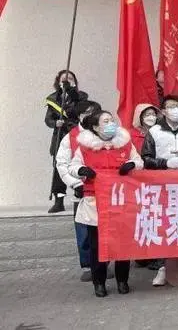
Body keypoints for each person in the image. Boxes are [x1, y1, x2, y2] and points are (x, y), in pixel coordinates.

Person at [67, 110, 142, 297]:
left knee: (122, 243)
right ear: (95, 127)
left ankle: (122, 280)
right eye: (105, 121)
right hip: (95, 202)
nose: (111, 124)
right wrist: (82, 170)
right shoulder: (85, 147)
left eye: (111, 120)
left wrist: (132, 164)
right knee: (97, 245)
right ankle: (99, 282)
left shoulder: (125, 144)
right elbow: (72, 166)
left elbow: (138, 161)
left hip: (121, 200)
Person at [141, 95, 178, 286]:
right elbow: (146, 158)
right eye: (171, 106)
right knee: (164, 225)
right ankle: (163, 267)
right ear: (163, 111)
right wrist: (165, 163)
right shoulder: (155, 131)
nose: (176, 110)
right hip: (163, 186)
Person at [55, 100, 101, 282]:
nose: (91, 116)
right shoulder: (70, 137)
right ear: (80, 116)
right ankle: (89, 265)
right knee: (85, 232)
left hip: (103, 191)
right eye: (87, 112)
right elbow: (62, 164)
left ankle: (103, 264)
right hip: (82, 192)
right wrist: (76, 184)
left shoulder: (104, 135)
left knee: (104, 231)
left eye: (95, 112)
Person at [45, 69, 89, 213]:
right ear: (58, 82)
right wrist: (55, 123)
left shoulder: (80, 97)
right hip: (60, 136)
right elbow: (48, 119)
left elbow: (79, 110)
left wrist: (70, 91)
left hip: (75, 135)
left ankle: (80, 194)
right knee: (59, 169)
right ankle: (59, 201)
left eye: (70, 78)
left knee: (79, 165)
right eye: (64, 79)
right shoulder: (53, 99)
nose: (67, 81)